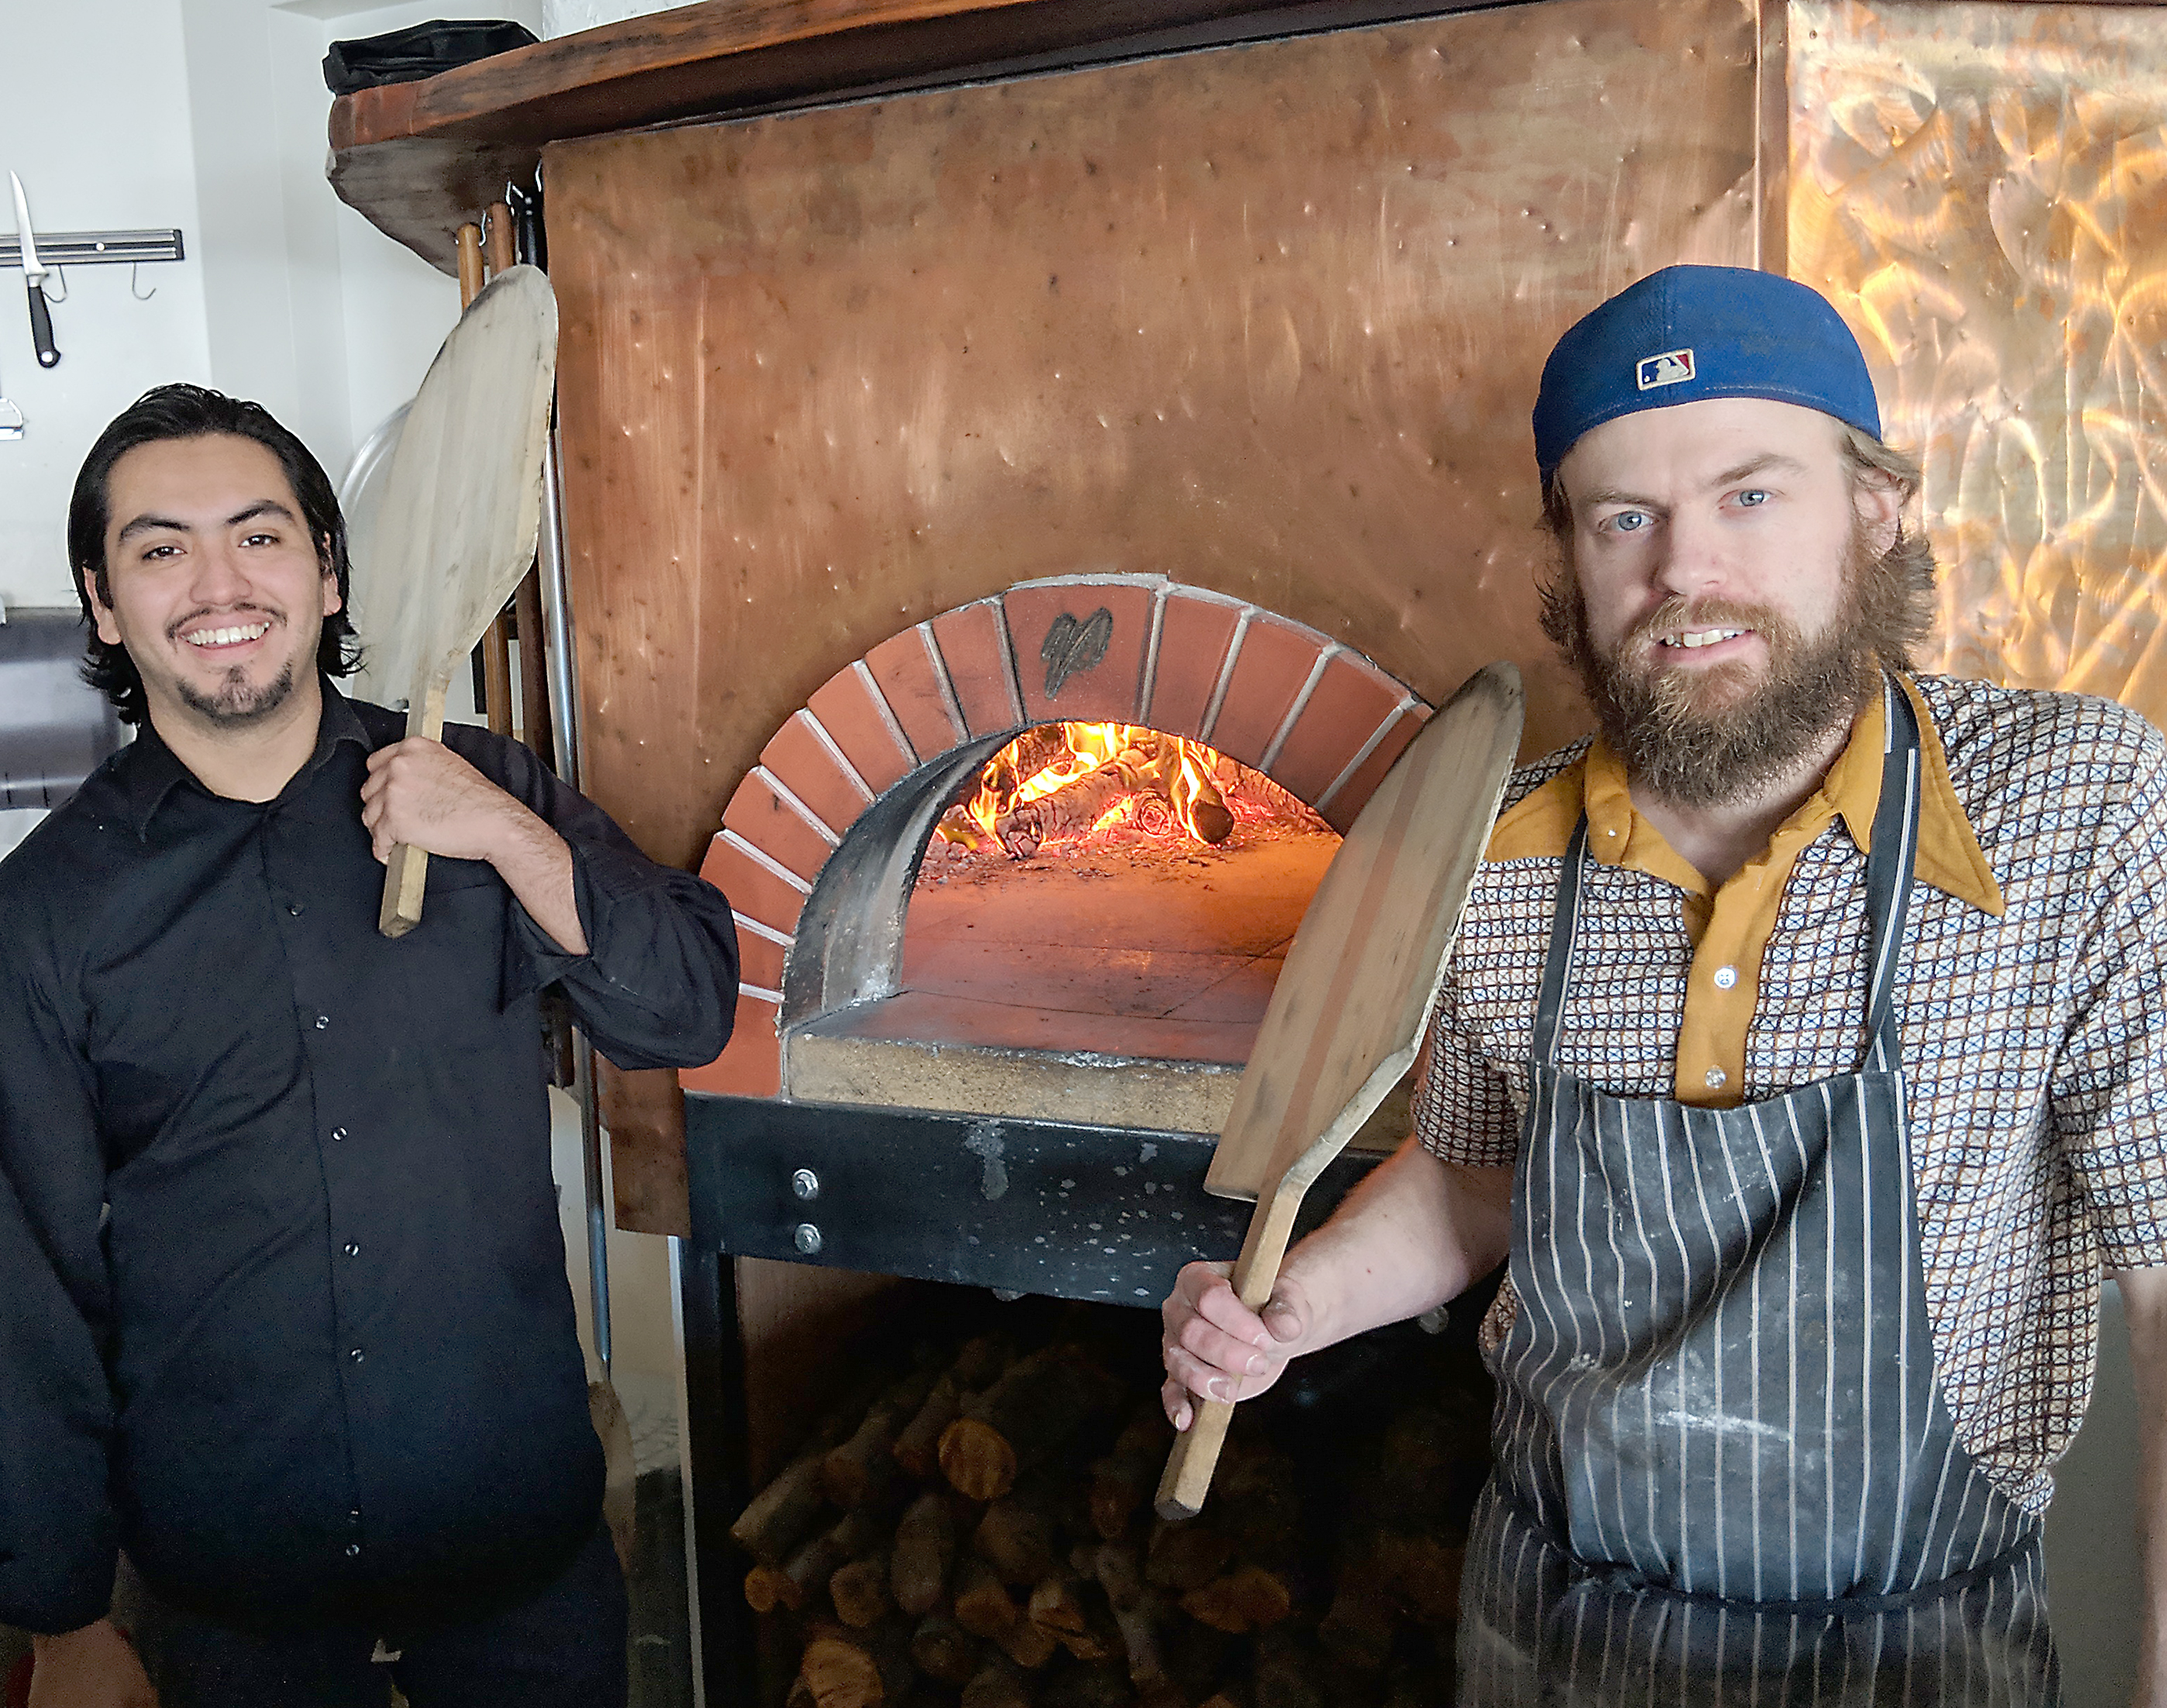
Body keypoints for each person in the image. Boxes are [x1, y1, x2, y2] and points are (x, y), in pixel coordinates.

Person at [1159, 266, 2167, 1704]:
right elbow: (1477, 1181)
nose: (1684, 574)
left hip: (1917, 1654)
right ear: (1572, 556)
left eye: (1750, 496)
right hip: (1551, 1632)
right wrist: (1290, 1309)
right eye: (1624, 517)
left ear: (1877, 513)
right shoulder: (1499, 851)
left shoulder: (2079, 810)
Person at [0, 385, 740, 1707]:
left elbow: (686, 1007)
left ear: (329, 574)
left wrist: (516, 841)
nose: (219, 582)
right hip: (232, 1595)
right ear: (106, 607)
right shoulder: (47, 911)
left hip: (519, 1553)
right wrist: (60, 1614)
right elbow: (26, 1288)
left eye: (261, 535)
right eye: (160, 549)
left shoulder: (481, 786)